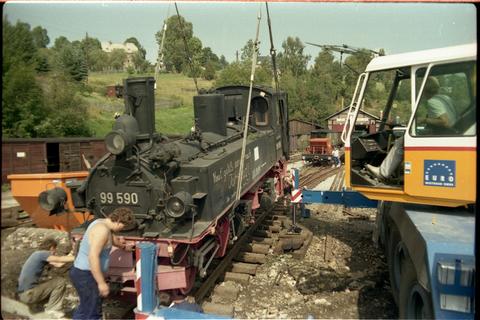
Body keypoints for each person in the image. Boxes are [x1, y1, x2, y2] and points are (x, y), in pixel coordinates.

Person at [366, 76, 457, 180]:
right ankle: (399, 173)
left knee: (401, 142)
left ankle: (382, 173)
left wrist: (424, 120)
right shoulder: (445, 98)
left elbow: (445, 122)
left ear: (425, 90)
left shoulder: (433, 101)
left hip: (442, 136)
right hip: (449, 133)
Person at [69, 207, 135, 320]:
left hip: (82, 273)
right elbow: (93, 256)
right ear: (119, 221)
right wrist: (101, 283)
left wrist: (123, 246)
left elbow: (111, 238)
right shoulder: (102, 231)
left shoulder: (101, 222)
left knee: (85, 308)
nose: (122, 229)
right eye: (123, 226)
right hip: (86, 275)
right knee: (93, 312)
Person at [17, 237, 75, 318]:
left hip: (24, 295)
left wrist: (72, 253)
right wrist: (79, 257)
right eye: (55, 250)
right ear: (51, 248)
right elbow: (59, 259)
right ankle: (52, 310)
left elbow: (59, 264)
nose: (55, 252)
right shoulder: (42, 253)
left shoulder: (38, 255)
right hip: (29, 294)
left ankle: (44, 309)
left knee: (52, 284)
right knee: (60, 282)